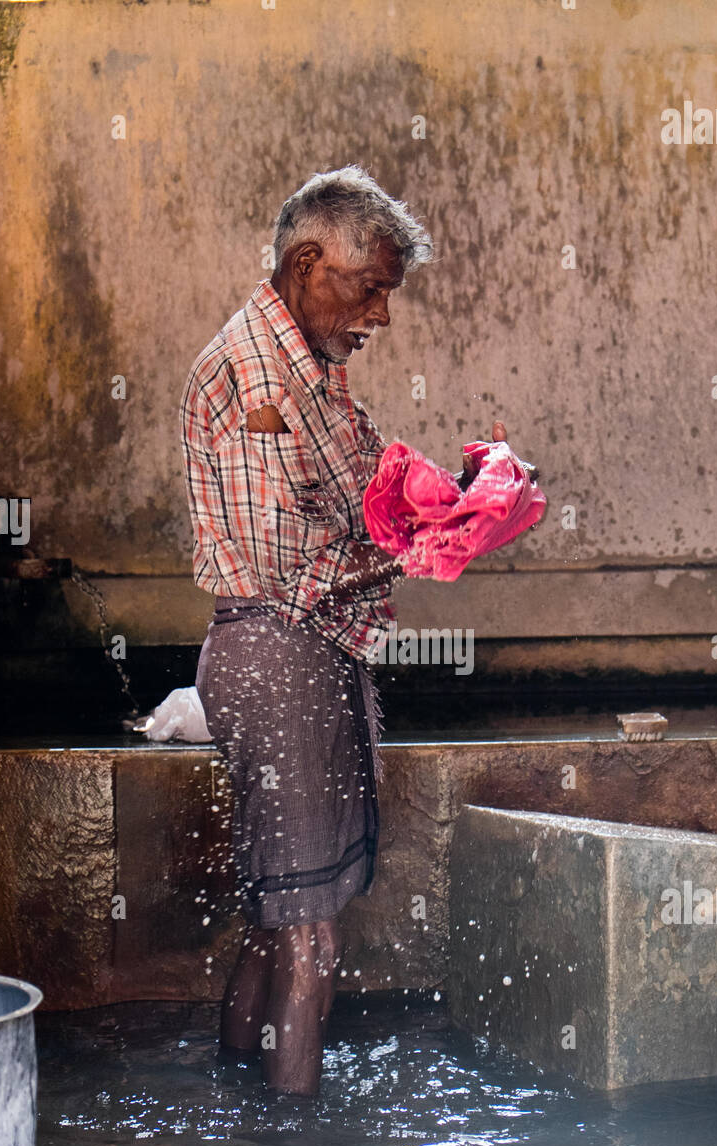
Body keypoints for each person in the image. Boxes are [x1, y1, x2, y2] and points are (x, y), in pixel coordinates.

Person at [180, 165, 510, 1095]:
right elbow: (287, 560)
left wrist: (466, 498)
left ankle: (242, 1102)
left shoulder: (312, 373)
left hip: (308, 654)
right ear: (307, 262)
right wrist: (430, 544)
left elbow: (377, 499)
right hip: (275, 649)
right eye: (373, 289)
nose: (382, 316)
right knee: (311, 930)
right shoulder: (253, 374)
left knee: (279, 916)